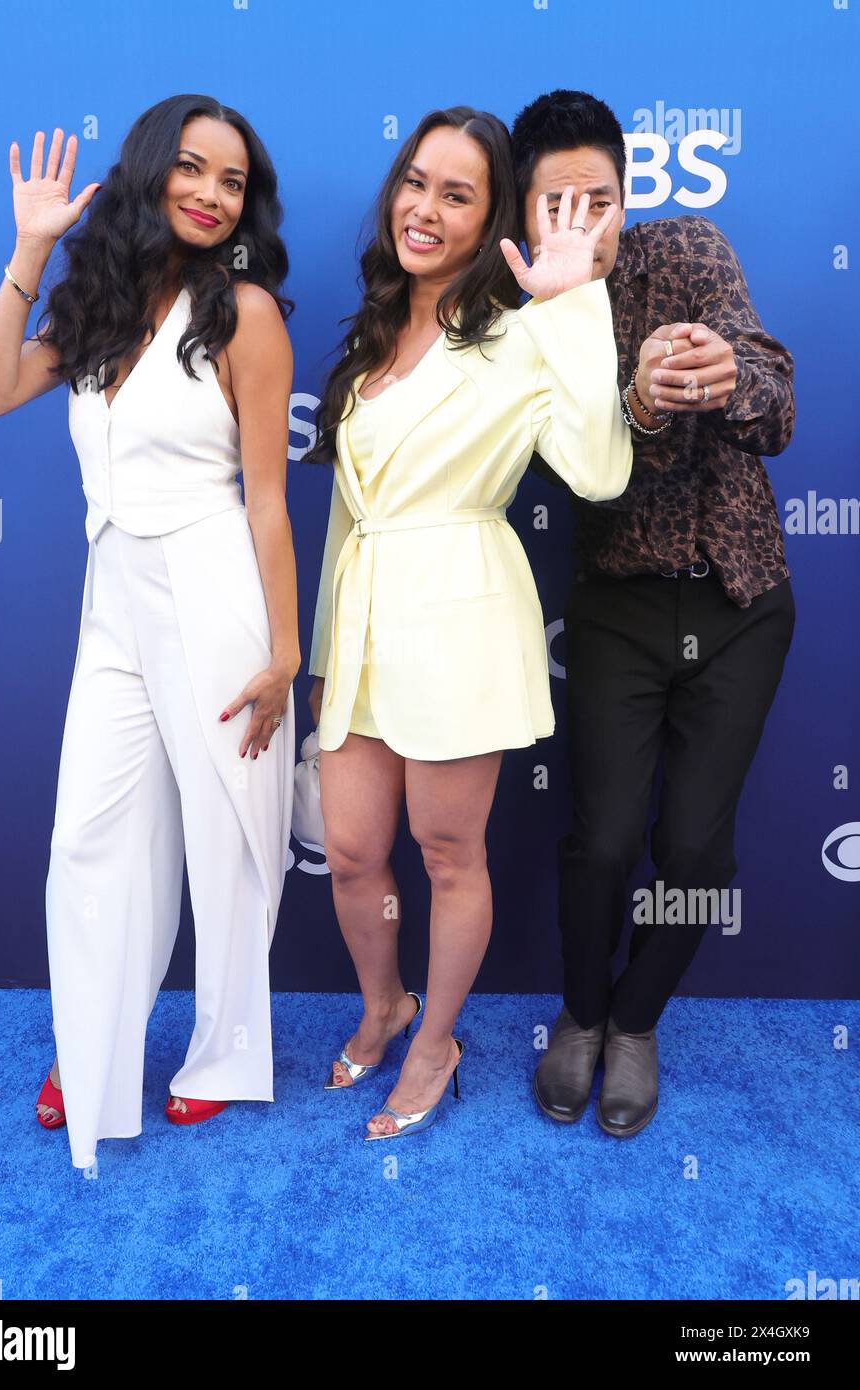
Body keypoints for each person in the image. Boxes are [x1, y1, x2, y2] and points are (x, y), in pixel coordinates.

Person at [0, 97, 299, 1169]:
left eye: (231, 181)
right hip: (112, 597)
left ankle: (224, 1053)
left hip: (216, 590)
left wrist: (285, 652)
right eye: (192, 169)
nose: (209, 193)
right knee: (91, 836)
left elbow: (265, 502)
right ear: (151, 173)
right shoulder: (100, 305)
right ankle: (90, 1042)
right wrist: (29, 249)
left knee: (228, 838)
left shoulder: (244, 313)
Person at [305, 106, 633, 1141]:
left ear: (492, 219)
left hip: (460, 609)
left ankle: (437, 1038)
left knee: (448, 853)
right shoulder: (370, 332)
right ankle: (384, 1003)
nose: (426, 209)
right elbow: (349, 510)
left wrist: (576, 305)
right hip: (359, 618)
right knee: (354, 850)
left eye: (458, 194)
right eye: (416, 182)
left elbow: (601, 467)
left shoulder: (525, 333)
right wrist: (320, 653)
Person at [510, 90, 796, 1137]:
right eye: (556, 201)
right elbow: (581, 477)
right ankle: (581, 1013)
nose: (581, 220)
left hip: (738, 594)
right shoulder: (517, 305)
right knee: (603, 839)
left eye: (601, 198)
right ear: (524, 206)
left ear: (628, 197)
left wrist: (732, 381)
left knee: (696, 854)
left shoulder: (687, 250)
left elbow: (779, 396)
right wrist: (628, 400)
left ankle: (636, 1020)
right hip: (620, 603)